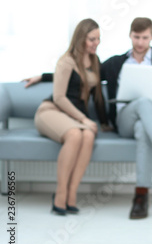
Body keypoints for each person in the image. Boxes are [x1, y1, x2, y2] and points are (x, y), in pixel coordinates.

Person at [26, 17, 152, 219]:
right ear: (130, 35)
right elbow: (73, 74)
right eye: (136, 37)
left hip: (151, 121)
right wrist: (43, 76)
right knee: (143, 102)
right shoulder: (114, 63)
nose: (140, 42)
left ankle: (141, 196)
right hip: (123, 119)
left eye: (144, 37)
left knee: (142, 127)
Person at [34, 18, 109, 216]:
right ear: (80, 38)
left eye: (99, 39)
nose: (96, 43)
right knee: (76, 134)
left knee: (89, 135)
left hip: (73, 118)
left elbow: (98, 96)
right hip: (51, 111)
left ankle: (71, 194)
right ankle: (60, 194)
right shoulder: (66, 60)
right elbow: (59, 97)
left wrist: (104, 123)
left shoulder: (94, 61)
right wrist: (84, 119)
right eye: (92, 39)